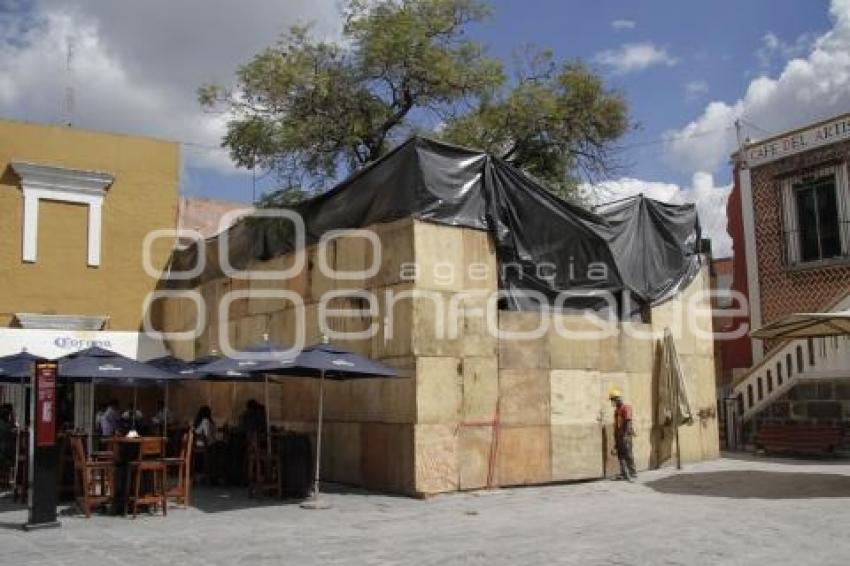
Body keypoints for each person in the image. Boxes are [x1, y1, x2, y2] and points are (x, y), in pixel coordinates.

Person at [609, 387, 637, 481]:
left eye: (613, 400)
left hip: (625, 435)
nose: (612, 402)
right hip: (619, 436)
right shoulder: (617, 410)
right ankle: (625, 473)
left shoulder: (626, 408)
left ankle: (631, 473)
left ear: (617, 399)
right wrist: (617, 438)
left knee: (627, 454)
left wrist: (625, 435)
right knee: (621, 455)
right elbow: (617, 424)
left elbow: (628, 421)